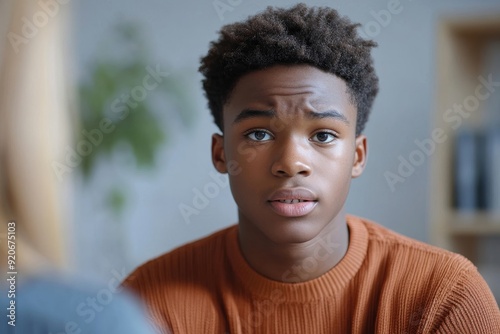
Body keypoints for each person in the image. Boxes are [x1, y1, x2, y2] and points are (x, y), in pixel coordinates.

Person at [122, 3, 500, 333]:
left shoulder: (444, 297)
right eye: (258, 134)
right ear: (221, 154)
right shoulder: (147, 304)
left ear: (357, 156)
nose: (290, 164)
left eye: (322, 136)